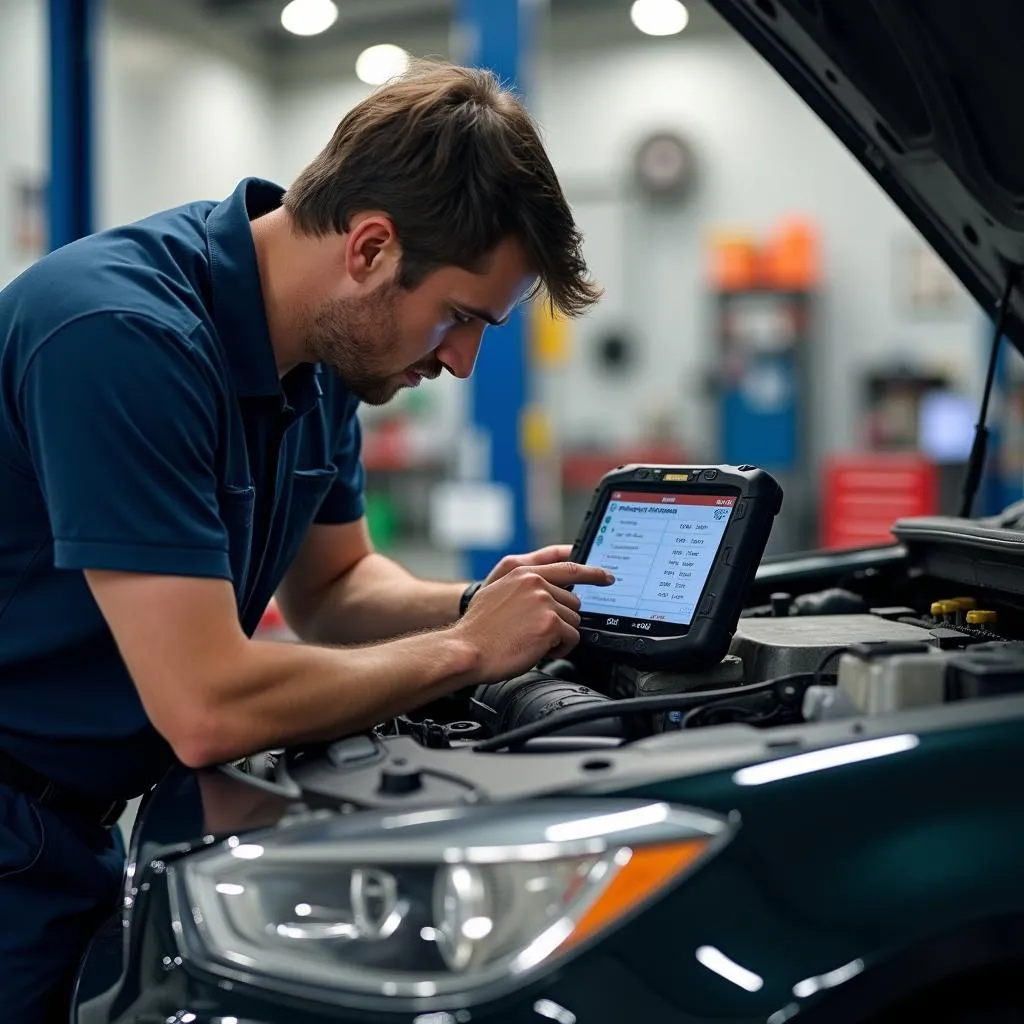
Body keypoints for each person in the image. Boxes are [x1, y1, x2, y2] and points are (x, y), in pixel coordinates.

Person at [0, 59, 609, 1021]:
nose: (460, 359)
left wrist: (490, 609)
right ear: (370, 247)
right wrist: (464, 651)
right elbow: (206, 706)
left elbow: (339, 589)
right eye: (458, 316)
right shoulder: (119, 335)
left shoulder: (321, 363)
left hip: (74, 820)